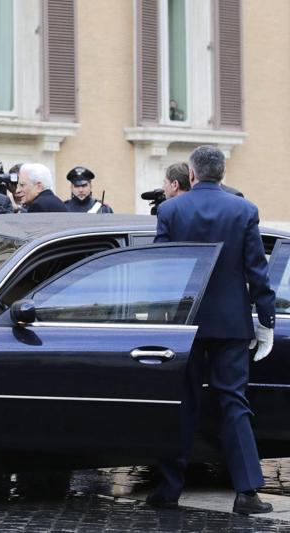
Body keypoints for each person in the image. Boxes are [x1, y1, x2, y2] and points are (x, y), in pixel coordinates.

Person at [148, 145, 276, 515]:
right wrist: (265, 320)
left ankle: (169, 488)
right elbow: (257, 271)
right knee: (234, 403)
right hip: (231, 323)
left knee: (181, 403)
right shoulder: (244, 210)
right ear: (222, 173)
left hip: (184, 322)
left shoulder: (171, 209)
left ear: (191, 174)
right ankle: (247, 492)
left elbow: (162, 268)